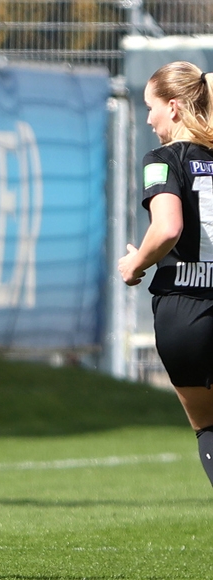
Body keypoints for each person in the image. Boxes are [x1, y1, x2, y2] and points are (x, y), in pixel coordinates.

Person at [119, 61, 213, 491]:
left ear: (174, 108)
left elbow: (168, 227)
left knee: (208, 427)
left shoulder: (162, 159)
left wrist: (135, 264)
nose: (148, 117)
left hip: (185, 311)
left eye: (151, 107)